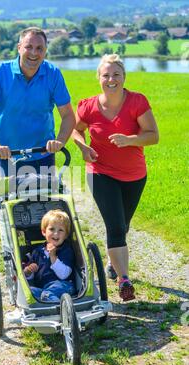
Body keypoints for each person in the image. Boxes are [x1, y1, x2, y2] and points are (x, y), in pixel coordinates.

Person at [71, 54, 159, 302]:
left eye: (116, 74)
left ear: (124, 77)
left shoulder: (137, 102)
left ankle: (113, 263)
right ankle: (124, 280)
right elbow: (76, 131)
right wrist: (83, 148)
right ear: (99, 78)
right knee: (116, 226)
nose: (111, 79)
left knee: (123, 224)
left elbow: (153, 135)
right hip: (100, 173)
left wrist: (130, 140)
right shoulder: (88, 106)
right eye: (106, 75)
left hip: (134, 176)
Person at [0, 27, 75, 177]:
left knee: (45, 199)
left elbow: (68, 115)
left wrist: (60, 141)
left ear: (45, 51)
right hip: (8, 155)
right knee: (10, 200)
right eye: (28, 47)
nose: (34, 53)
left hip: (44, 155)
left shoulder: (53, 74)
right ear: (19, 48)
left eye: (39, 48)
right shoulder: (0, 73)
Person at [23, 210, 76, 302]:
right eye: (52, 229)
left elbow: (64, 275)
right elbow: (31, 277)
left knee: (48, 294)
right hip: (42, 288)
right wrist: (28, 271)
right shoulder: (37, 251)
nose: (56, 234)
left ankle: (56, 309)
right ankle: (48, 302)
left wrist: (53, 256)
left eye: (61, 230)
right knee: (27, 291)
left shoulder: (66, 249)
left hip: (64, 285)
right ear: (44, 232)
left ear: (66, 235)